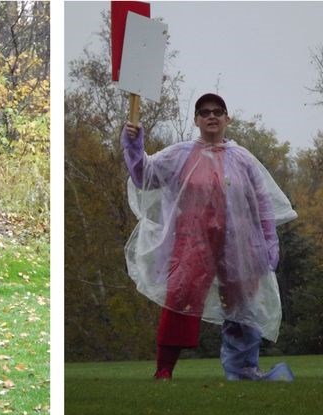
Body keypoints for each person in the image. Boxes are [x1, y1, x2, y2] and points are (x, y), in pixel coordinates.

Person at [122, 93, 297, 381]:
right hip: (191, 244)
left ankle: (243, 370)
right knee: (180, 303)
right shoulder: (180, 155)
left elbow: (263, 203)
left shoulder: (243, 159)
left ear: (228, 118)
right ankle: (164, 370)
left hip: (239, 245)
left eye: (217, 111)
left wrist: (269, 241)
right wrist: (134, 144)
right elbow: (146, 176)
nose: (211, 116)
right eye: (204, 112)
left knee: (243, 306)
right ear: (196, 120)